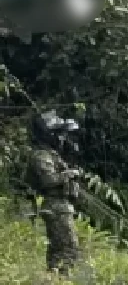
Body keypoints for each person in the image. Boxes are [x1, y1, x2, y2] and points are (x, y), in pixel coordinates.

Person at [26, 111, 83, 272]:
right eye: (59, 134)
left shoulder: (52, 155)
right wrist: (68, 174)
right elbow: (48, 181)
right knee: (67, 250)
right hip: (54, 206)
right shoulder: (41, 156)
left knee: (60, 250)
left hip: (61, 206)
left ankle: (55, 282)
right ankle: (61, 283)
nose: (62, 138)